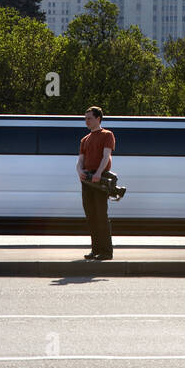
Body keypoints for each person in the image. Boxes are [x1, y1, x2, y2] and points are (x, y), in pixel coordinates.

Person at [77, 106, 115, 262]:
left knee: (101, 215)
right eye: (85, 118)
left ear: (98, 119)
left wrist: (99, 173)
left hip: (100, 178)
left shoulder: (107, 135)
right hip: (87, 179)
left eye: (89, 118)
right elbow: (80, 160)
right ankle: (95, 250)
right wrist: (79, 171)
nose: (86, 121)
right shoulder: (84, 139)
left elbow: (106, 156)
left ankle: (106, 251)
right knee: (91, 215)